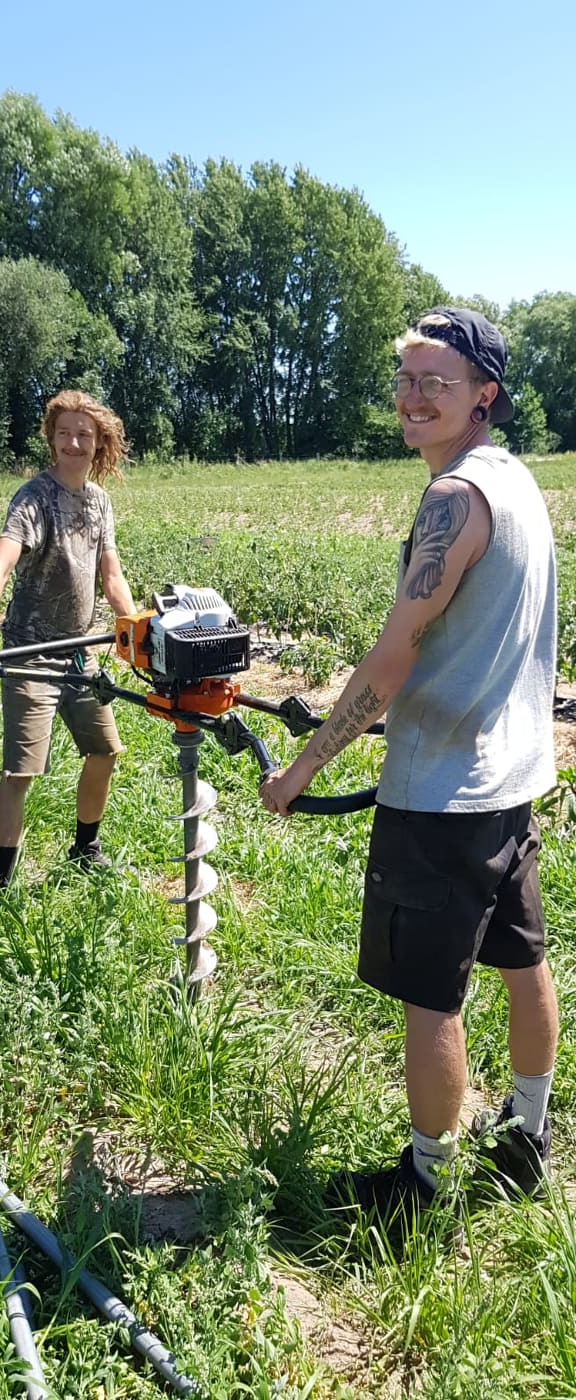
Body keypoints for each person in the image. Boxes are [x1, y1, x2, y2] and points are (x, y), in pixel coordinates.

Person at [261, 307, 559, 1228]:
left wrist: (302, 769)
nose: (414, 397)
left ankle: (423, 1186)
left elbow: (391, 661)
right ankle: (528, 1137)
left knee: (432, 999)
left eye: (438, 380)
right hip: (514, 784)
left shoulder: (452, 498)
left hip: (441, 796)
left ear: (484, 396)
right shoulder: (520, 483)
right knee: (521, 961)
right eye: (406, 379)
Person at [0, 389, 135, 886]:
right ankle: (1, 887)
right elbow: (0, 565)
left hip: (80, 653)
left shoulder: (99, 502)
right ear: (51, 442)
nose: (74, 442)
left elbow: (111, 575)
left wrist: (136, 627)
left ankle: (85, 848)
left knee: (105, 752)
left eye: (84, 434)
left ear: (98, 444)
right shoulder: (33, 498)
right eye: (65, 434)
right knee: (21, 772)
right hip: (31, 651)